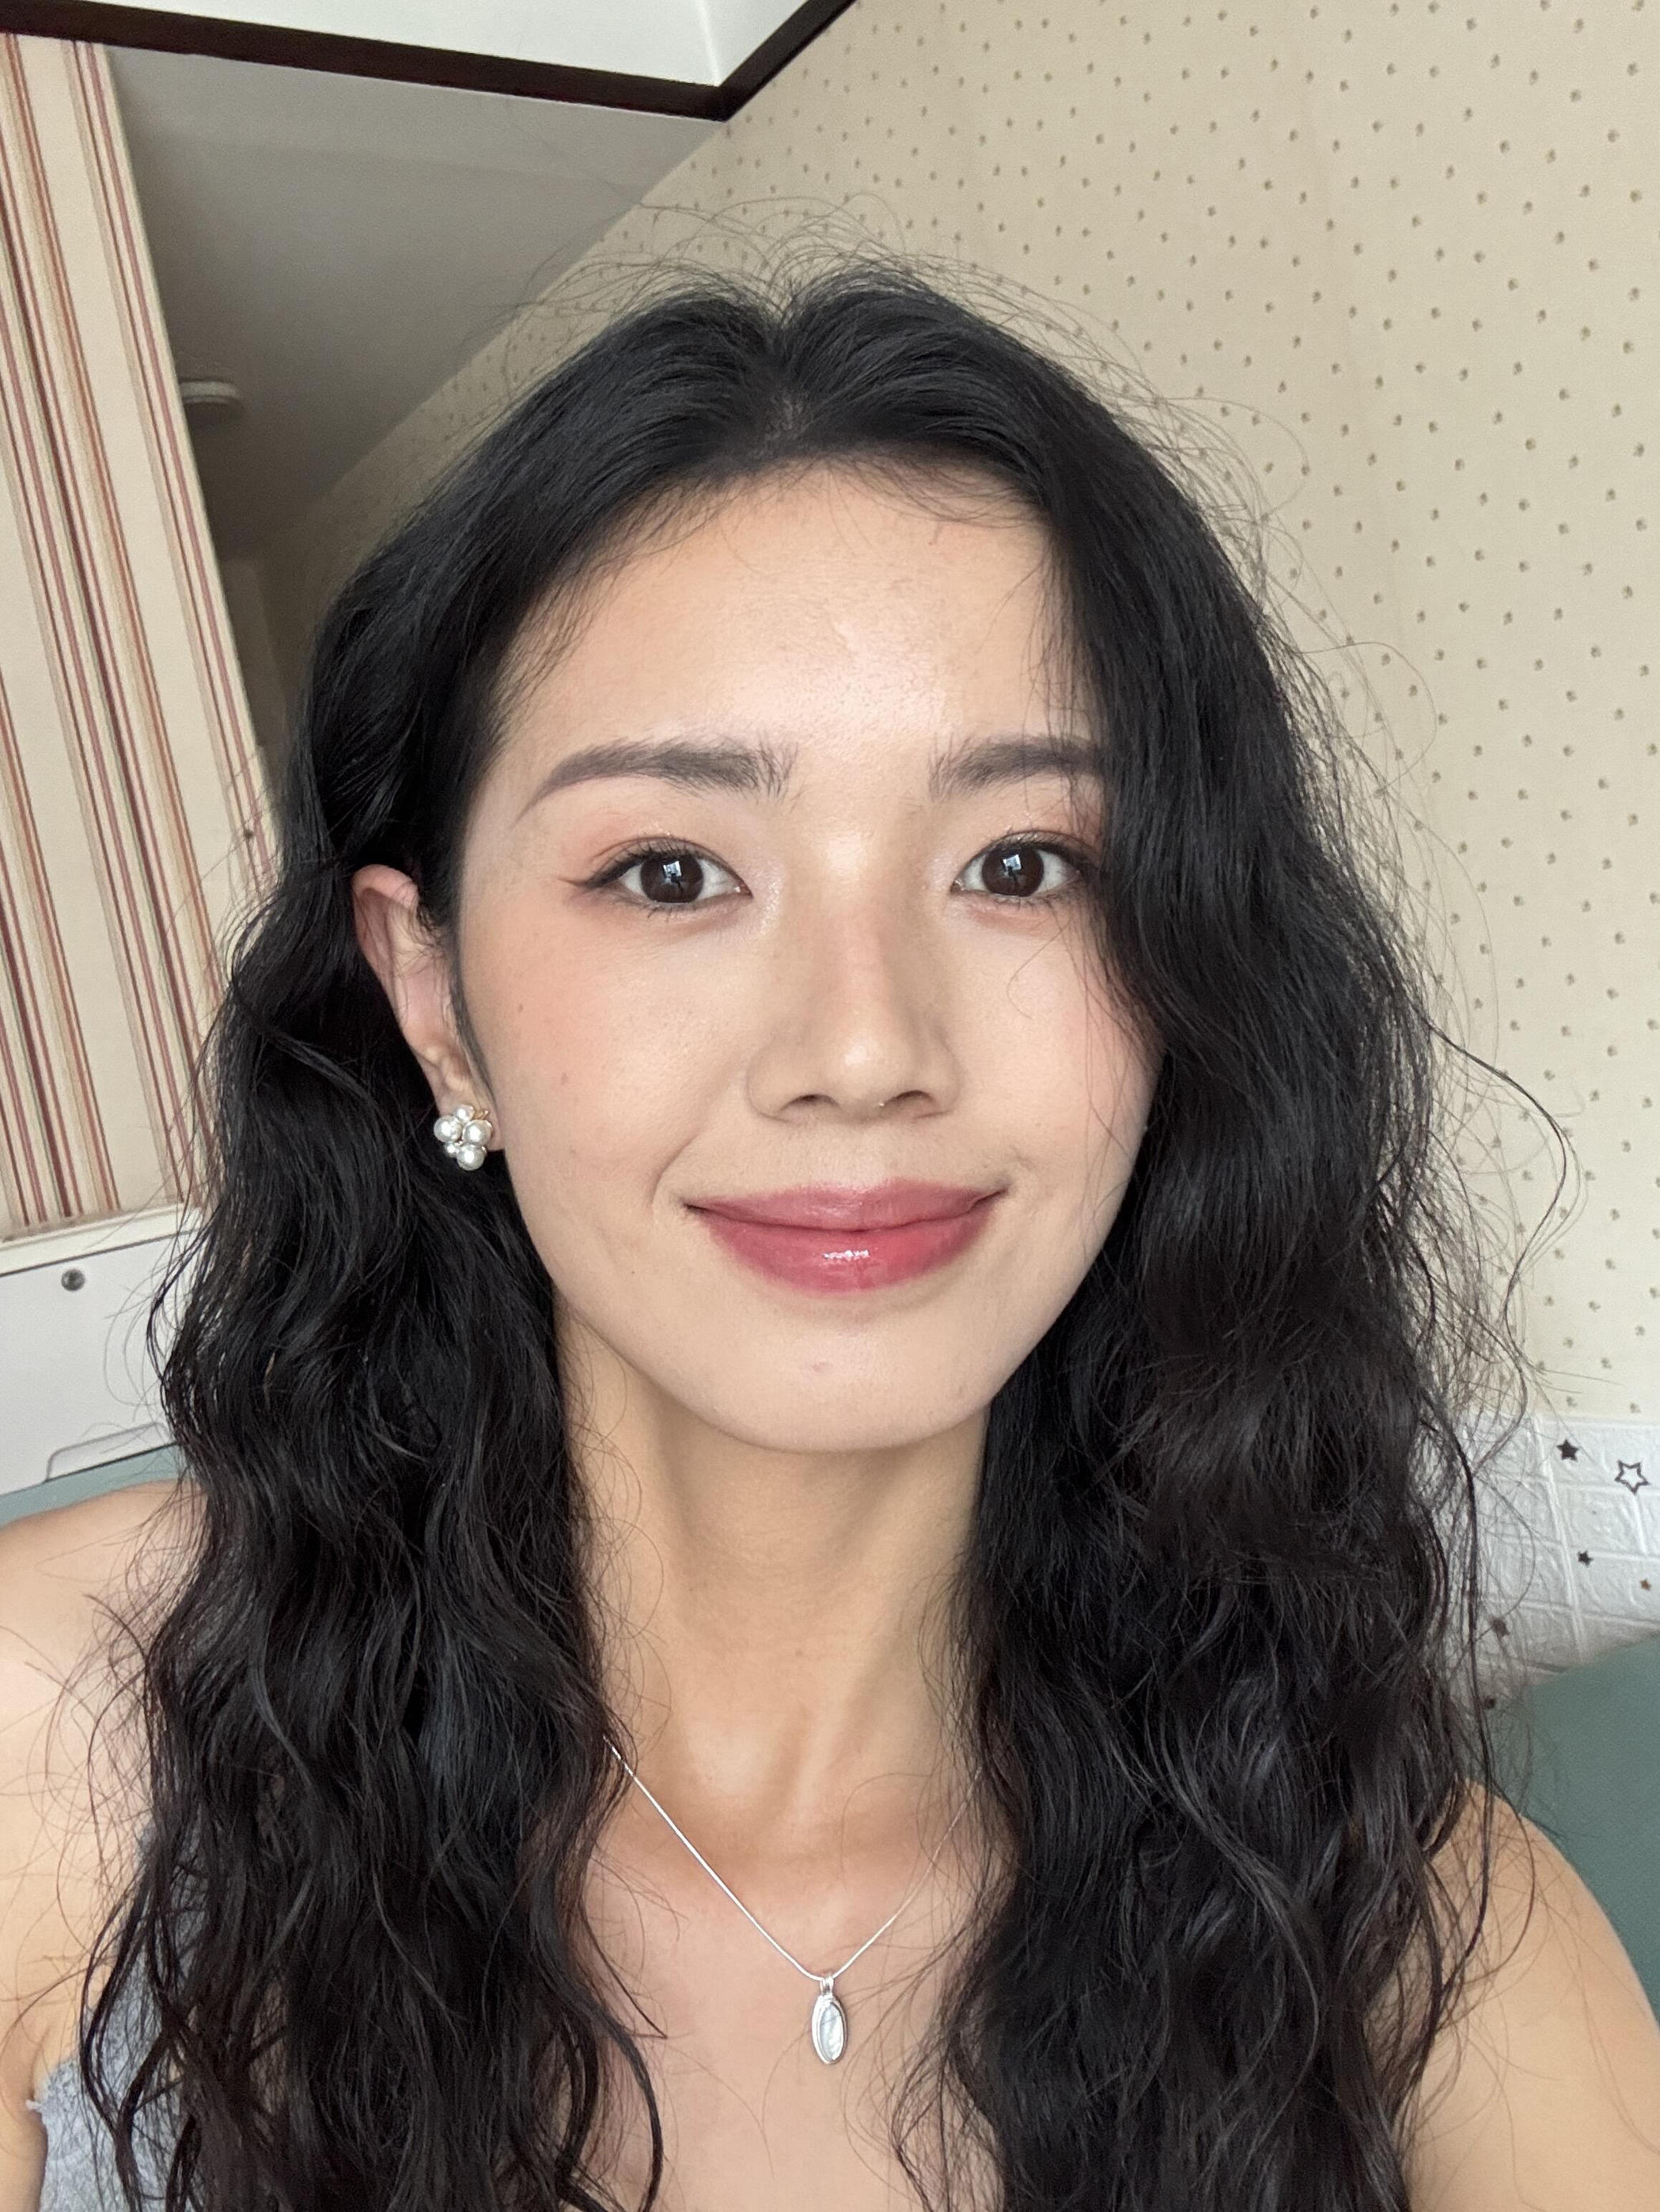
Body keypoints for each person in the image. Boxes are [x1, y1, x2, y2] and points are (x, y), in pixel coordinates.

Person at [2, 267, 1656, 2212]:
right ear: (432, 998)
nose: (863, 1049)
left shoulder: (1419, 1934)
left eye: (1021, 865)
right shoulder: (61, 1736)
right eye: (670, 872)